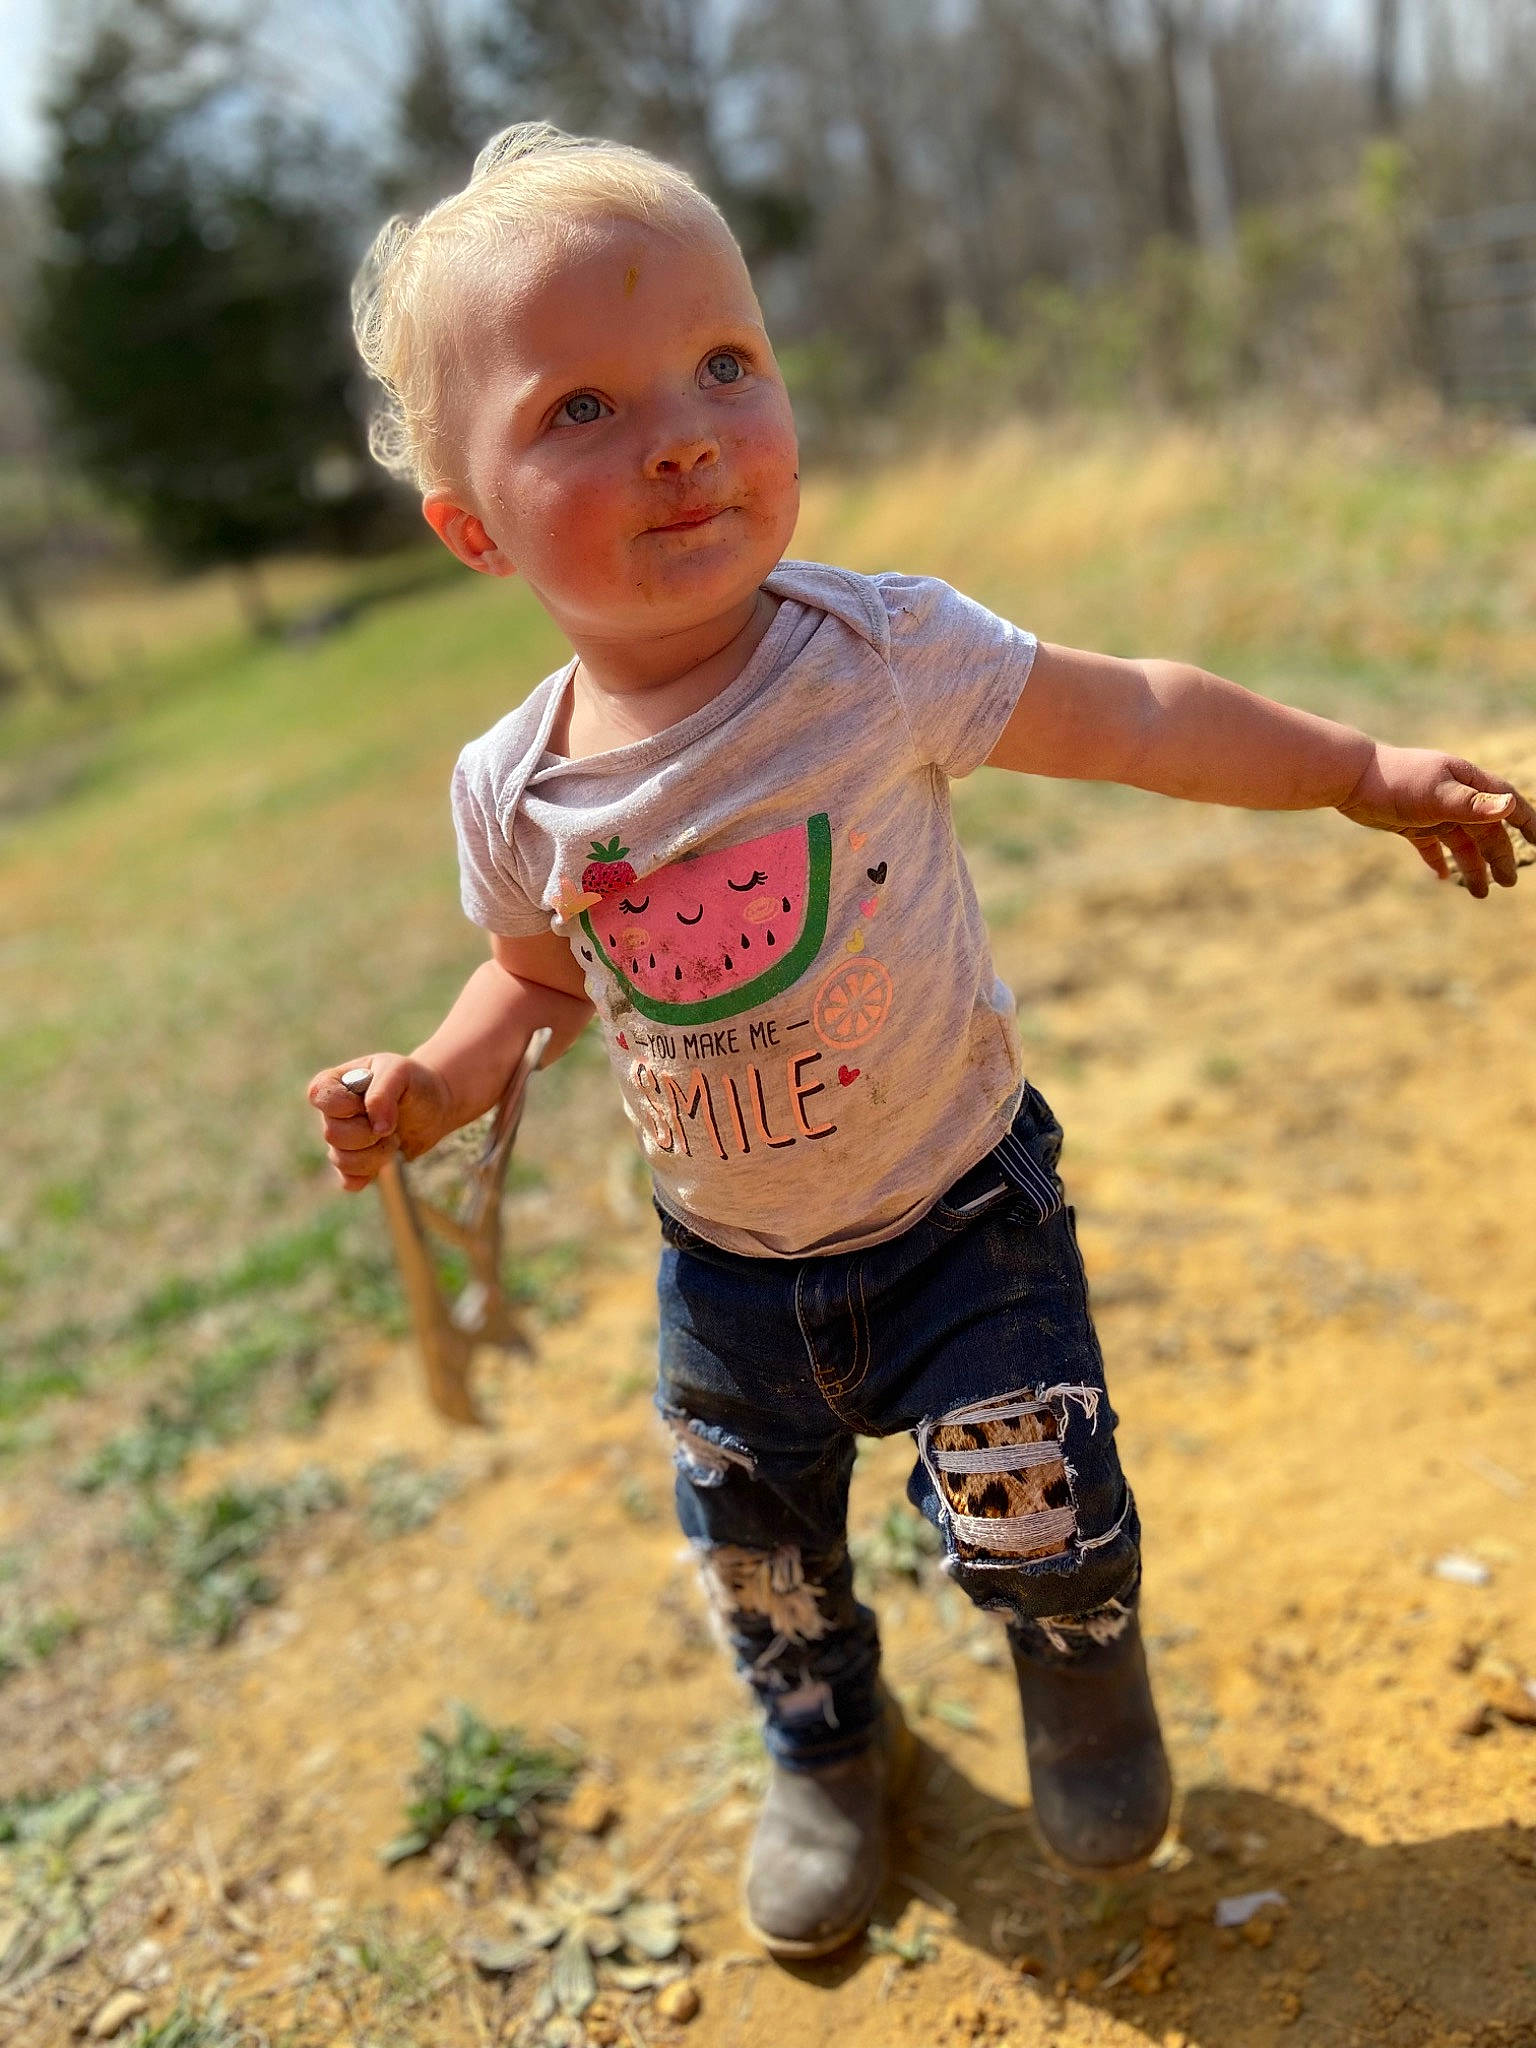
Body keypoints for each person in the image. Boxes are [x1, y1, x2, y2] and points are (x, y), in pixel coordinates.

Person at [307, 123, 1534, 1960]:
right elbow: (541, 983)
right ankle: (828, 1753)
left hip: (962, 1211)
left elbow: (1138, 717)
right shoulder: (512, 789)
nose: (685, 435)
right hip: (725, 1268)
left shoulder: (880, 654)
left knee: (1046, 1508)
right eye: (583, 409)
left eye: (725, 364)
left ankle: (1080, 1678)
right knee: (760, 1558)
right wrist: (431, 1083)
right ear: (472, 527)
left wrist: (1355, 770)